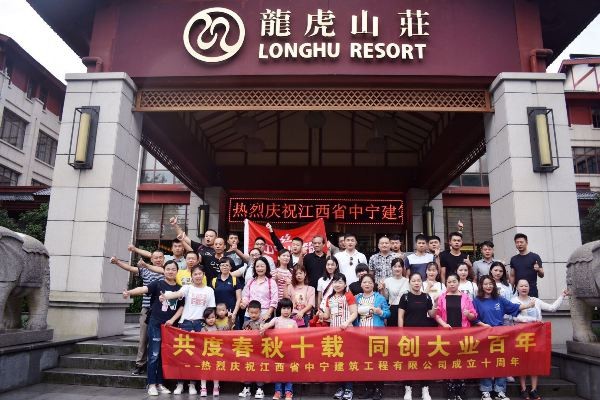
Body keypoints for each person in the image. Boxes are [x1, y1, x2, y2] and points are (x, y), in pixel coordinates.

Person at [122, 260, 182, 397]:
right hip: (155, 323)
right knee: (154, 354)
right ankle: (151, 384)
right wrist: (129, 292)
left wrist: (173, 320)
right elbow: (143, 289)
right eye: (168, 269)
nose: (170, 271)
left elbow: (181, 307)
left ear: (177, 272)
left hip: (170, 327)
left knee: (163, 355)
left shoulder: (180, 288)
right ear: (163, 271)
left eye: (173, 269)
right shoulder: (158, 284)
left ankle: (160, 383)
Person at [472, 276, 535, 400]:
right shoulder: (477, 301)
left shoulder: (499, 299)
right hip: (484, 335)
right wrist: (483, 325)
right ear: (481, 286)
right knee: (486, 362)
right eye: (485, 284)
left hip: (499, 336)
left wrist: (528, 305)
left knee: (500, 362)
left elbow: (513, 307)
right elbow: (474, 318)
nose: (488, 286)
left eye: (490, 284)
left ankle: (500, 391)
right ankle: (486, 391)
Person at [160, 265, 216, 395]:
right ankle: (180, 383)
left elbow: (211, 309)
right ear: (192, 276)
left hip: (200, 324)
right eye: (195, 274)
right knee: (183, 355)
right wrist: (167, 296)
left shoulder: (209, 290)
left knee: (197, 356)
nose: (198, 276)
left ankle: (192, 384)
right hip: (185, 323)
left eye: (200, 274)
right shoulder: (187, 288)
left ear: (204, 275)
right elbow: (178, 294)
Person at [109, 250, 164, 376]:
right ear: (152, 259)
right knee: (143, 338)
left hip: (162, 310)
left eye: (160, 257)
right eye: (155, 258)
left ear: (163, 259)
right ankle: (140, 364)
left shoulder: (166, 271)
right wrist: (117, 262)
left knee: (160, 339)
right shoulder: (145, 270)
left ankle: (157, 365)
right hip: (147, 309)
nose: (158, 260)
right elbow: (130, 268)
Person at [511, 279, 567, 400]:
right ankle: (523, 389)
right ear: (517, 287)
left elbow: (552, 308)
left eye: (526, 286)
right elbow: (515, 318)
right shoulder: (513, 301)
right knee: (522, 362)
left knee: (534, 361)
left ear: (529, 287)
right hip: (521, 336)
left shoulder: (535, 300)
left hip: (536, 336)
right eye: (521, 286)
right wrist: (533, 320)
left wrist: (562, 296)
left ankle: (534, 389)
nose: (524, 288)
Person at [434, 273, 478, 400]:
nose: (452, 284)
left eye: (454, 281)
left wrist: (468, 314)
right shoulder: (442, 297)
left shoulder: (466, 297)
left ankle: (461, 390)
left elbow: (474, 315)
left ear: (458, 282)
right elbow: (437, 314)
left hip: (462, 334)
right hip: (446, 334)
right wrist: (444, 324)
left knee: (461, 360)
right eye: (449, 282)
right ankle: (450, 391)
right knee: (448, 360)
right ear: (446, 284)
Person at [398, 272, 436, 400]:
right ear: (409, 282)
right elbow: (400, 316)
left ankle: (425, 389)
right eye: (413, 280)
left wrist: (435, 303)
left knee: (424, 361)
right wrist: (400, 333)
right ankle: (408, 388)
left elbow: (432, 314)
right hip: (408, 335)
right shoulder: (405, 297)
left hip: (424, 335)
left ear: (421, 282)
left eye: (418, 280)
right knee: (408, 361)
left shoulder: (426, 297)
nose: (416, 283)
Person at [354, 274, 390, 400]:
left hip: (377, 334)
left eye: (370, 282)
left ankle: (378, 389)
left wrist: (381, 312)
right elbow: (352, 313)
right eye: (365, 282)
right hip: (361, 334)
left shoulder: (379, 297)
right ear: (361, 284)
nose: (367, 284)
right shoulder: (356, 298)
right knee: (365, 362)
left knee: (377, 361)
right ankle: (368, 389)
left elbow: (388, 313)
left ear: (373, 284)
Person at [322, 273, 358, 400]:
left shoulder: (348, 296)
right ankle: (340, 387)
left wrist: (346, 322)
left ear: (345, 284)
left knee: (347, 360)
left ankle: (349, 388)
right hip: (334, 332)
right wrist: (321, 315)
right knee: (337, 361)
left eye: (340, 282)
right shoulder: (329, 298)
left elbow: (354, 313)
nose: (337, 284)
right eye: (335, 282)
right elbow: (327, 316)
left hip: (347, 331)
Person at [259, 298, 297, 400]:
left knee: (289, 371)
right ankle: (278, 391)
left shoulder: (293, 322)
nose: (286, 311)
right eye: (284, 308)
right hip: (278, 350)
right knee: (278, 370)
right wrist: (263, 327)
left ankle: (288, 392)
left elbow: (297, 336)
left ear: (291, 309)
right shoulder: (276, 319)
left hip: (289, 351)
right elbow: (268, 325)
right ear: (280, 309)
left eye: (288, 308)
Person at [239, 300, 266, 399]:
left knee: (259, 369)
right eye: (251, 312)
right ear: (248, 311)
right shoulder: (246, 323)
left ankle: (260, 389)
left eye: (256, 313)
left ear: (260, 312)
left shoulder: (263, 323)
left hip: (259, 351)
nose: (253, 315)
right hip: (248, 350)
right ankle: (247, 387)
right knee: (247, 368)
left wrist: (262, 329)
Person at [240, 256, 278, 320]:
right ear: (254, 268)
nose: (260, 268)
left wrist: (268, 314)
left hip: (264, 315)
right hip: (249, 315)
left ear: (266, 267)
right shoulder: (251, 281)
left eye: (262, 266)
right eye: (257, 266)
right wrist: (244, 304)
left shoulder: (271, 282)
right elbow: (246, 296)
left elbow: (274, 300)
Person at [509, 233, 544, 298]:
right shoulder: (513, 259)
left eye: (521, 242)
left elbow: (542, 275)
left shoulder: (535, 257)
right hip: (518, 292)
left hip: (532, 292)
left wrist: (538, 269)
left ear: (526, 242)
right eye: (517, 242)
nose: (519, 244)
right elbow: (512, 276)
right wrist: (510, 290)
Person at [210, 257, 242, 328]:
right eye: (222, 265)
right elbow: (211, 299)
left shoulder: (235, 280)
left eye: (227, 265)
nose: (224, 267)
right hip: (218, 315)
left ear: (230, 267)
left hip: (231, 313)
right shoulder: (214, 281)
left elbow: (239, 298)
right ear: (219, 267)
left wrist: (234, 313)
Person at [379, 257, 409, 327]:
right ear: (391, 268)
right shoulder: (387, 281)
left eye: (399, 266)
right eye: (395, 266)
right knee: (392, 331)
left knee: (406, 330)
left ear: (403, 268)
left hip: (406, 309)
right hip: (392, 308)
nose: (397, 269)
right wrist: (382, 289)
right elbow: (385, 298)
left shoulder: (408, 281)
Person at [200, 307, 221, 396]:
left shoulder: (218, 328)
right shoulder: (203, 329)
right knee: (204, 370)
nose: (211, 319)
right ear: (205, 319)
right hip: (206, 354)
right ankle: (203, 387)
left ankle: (216, 387)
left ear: (216, 317)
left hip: (216, 354)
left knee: (216, 370)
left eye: (212, 317)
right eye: (208, 318)